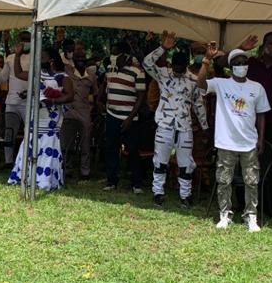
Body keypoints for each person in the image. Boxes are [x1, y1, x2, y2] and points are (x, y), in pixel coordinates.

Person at [197, 45, 270, 232]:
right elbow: (201, 84)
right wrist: (206, 60)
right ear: (231, 67)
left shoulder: (257, 88)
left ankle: (251, 216)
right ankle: (225, 214)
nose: (241, 65)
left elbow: (261, 115)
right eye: (237, 63)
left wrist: (261, 139)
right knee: (224, 180)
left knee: (251, 181)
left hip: (249, 143)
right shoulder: (221, 83)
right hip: (226, 142)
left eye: (244, 62)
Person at [143, 32, 209, 208]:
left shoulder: (193, 80)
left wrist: (205, 126)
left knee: (186, 163)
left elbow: (198, 104)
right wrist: (163, 48)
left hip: (185, 127)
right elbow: (146, 63)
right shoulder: (163, 74)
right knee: (160, 160)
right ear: (172, 65)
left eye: (181, 67)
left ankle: (185, 195)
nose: (177, 70)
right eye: (175, 67)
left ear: (186, 65)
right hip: (164, 125)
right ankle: (158, 192)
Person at [8, 43, 75, 191]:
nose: (39, 59)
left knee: (48, 143)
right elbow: (18, 73)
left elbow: (70, 96)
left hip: (52, 116)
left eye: (42, 57)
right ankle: (26, 177)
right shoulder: (36, 73)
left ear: (51, 60)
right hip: (36, 113)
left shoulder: (62, 77)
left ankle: (46, 179)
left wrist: (53, 101)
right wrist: (18, 55)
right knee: (31, 140)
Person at [247, 32, 272, 215]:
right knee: (246, 161)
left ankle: (267, 205)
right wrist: (243, 48)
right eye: (271, 43)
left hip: (271, 123)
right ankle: (244, 202)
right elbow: (224, 63)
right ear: (264, 45)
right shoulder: (251, 64)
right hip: (247, 121)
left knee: (268, 164)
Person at [102, 41, 146, 194]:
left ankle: (136, 183)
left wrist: (129, 118)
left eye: (116, 53)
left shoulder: (137, 71)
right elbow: (106, 87)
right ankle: (111, 181)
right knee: (111, 148)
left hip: (130, 118)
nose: (113, 56)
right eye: (112, 53)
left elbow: (141, 97)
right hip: (112, 114)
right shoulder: (110, 69)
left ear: (125, 56)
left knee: (133, 150)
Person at [0, 31, 33, 166]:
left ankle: (28, 160)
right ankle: (8, 161)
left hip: (29, 102)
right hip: (12, 102)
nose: (24, 42)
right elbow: (2, 78)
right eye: (22, 39)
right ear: (18, 41)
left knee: (30, 132)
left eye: (27, 39)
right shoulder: (10, 58)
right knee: (9, 132)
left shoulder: (36, 57)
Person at [63, 52, 97, 180]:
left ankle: (85, 171)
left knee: (85, 142)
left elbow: (95, 93)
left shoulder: (91, 76)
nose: (80, 60)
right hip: (69, 110)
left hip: (84, 111)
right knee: (68, 142)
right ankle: (67, 168)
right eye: (78, 58)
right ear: (74, 60)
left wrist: (93, 107)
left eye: (82, 57)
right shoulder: (68, 71)